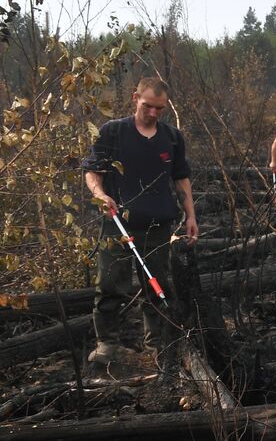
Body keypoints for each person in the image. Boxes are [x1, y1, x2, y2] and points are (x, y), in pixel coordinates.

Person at [81, 77, 197, 370]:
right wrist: (100, 194)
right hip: (117, 223)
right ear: (135, 98)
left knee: (156, 286)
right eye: (148, 106)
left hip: (158, 224)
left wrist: (191, 216)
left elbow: (180, 178)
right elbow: (92, 172)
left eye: (160, 108)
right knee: (109, 284)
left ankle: (158, 344)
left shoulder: (172, 138)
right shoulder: (113, 132)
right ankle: (106, 343)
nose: (154, 113)